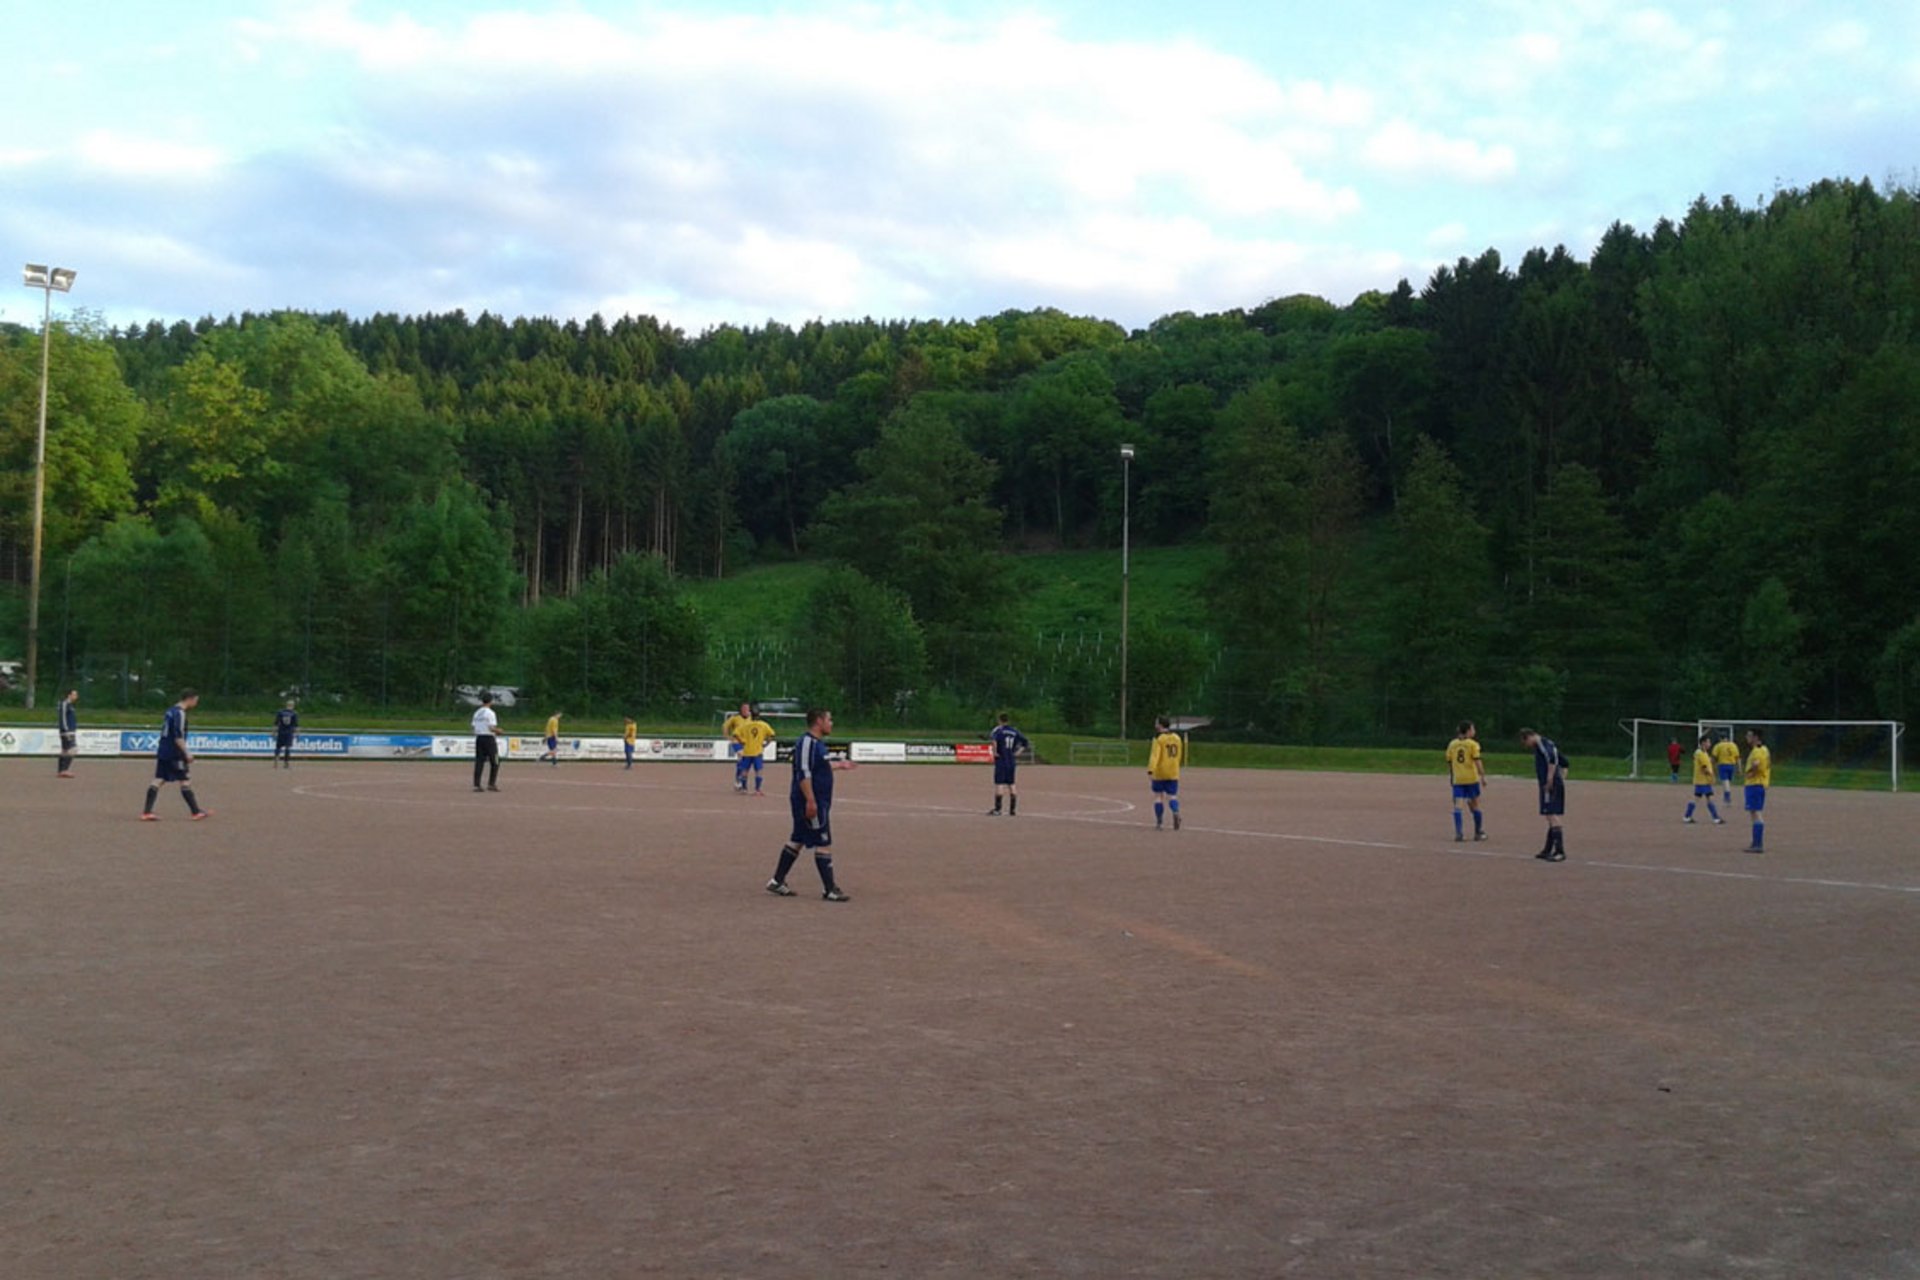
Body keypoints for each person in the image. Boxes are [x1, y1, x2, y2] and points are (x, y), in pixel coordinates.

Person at [766, 708, 854, 901]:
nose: (832, 723)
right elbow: (803, 774)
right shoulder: (806, 743)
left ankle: (777, 881)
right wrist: (811, 801)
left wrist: (840, 765)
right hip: (810, 801)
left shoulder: (817, 744)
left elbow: (819, 767)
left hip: (815, 800)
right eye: (829, 719)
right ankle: (829, 889)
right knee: (823, 842)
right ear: (819, 721)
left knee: (798, 838)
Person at [141, 689, 208, 821]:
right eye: (195, 700)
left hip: (163, 750)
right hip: (174, 753)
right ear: (190, 699)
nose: (196, 703)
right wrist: (187, 753)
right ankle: (196, 812)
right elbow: (178, 736)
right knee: (185, 780)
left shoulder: (170, 711)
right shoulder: (180, 713)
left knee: (159, 779)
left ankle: (146, 812)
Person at [1519, 727, 1566, 862]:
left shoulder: (1542, 745)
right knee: (1549, 814)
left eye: (1525, 742)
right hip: (1552, 782)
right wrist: (1562, 775)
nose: (1526, 746)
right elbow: (1563, 760)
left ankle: (1559, 851)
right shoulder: (1547, 743)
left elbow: (1552, 759)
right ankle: (1548, 848)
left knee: (1551, 814)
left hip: (1549, 783)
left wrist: (1550, 778)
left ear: (1529, 737)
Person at [1445, 720, 1488, 842]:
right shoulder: (1473, 744)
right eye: (1473, 729)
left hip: (1458, 780)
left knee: (1458, 806)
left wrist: (1452, 777)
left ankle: (1459, 833)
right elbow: (1477, 761)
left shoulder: (1452, 744)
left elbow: (1450, 762)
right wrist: (1483, 776)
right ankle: (1478, 832)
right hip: (1471, 779)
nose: (1474, 731)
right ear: (1468, 731)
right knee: (1474, 805)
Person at [987, 712, 1031, 816]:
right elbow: (1025, 742)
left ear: (999, 720)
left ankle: (998, 809)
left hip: (1001, 759)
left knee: (1000, 783)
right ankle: (1012, 810)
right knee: (1012, 783)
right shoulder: (1014, 731)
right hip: (1011, 760)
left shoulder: (998, 730)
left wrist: (995, 752)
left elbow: (994, 740)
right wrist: (1018, 752)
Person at [1148, 716, 1184, 830]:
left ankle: (1159, 822)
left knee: (1158, 796)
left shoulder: (1159, 738)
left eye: (1156, 723)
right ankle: (1176, 811)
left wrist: (1151, 769)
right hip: (1173, 771)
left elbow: (1155, 755)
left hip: (1160, 771)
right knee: (1172, 796)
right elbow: (1179, 755)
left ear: (1160, 725)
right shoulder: (1177, 738)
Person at [1683, 733, 1726, 825]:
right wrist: (1711, 775)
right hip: (1702, 781)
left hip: (1704, 781)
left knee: (1698, 798)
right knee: (1708, 798)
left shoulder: (1704, 753)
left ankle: (1687, 816)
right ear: (1703, 743)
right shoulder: (1700, 753)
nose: (1709, 744)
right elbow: (1704, 768)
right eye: (1708, 742)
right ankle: (1716, 818)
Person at [734, 706, 777, 794]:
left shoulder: (746, 725)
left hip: (747, 751)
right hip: (758, 752)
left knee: (745, 770)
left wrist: (742, 741)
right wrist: (766, 744)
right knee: (759, 771)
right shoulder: (763, 725)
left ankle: (744, 788)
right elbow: (772, 735)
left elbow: (735, 734)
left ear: (751, 715)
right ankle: (757, 789)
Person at [1742, 728, 1771, 854]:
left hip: (1755, 784)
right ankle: (1756, 842)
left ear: (1755, 737)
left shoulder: (1757, 751)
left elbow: (1756, 764)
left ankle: (1757, 843)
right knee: (1755, 813)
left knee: (1755, 814)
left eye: (1749, 735)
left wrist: (1749, 773)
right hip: (1760, 784)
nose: (1747, 737)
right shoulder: (1764, 749)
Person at [472, 692, 502, 792]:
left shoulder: (477, 712)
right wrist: (498, 731)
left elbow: (473, 727)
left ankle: (477, 784)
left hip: (479, 737)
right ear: (491, 701)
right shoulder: (490, 713)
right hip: (489, 738)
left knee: (479, 761)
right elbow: (491, 727)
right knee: (495, 761)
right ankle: (491, 783)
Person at [1712, 732, 1742, 804]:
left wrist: (1711, 765)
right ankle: (1727, 793)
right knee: (1729, 781)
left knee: (1725, 781)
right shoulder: (1733, 745)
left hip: (1723, 764)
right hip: (1732, 765)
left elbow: (1714, 757)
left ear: (1720, 739)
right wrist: (1739, 768)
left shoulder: (1718, 746)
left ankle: (1727, 796)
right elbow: (1737, 758)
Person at [56, 688, 79, 778]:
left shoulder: (70, 705)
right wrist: (66, 730)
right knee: (73, 750)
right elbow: (63, 718)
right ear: (69, 695)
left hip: (70, 731)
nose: (76, 696)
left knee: (65, 751)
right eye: (74, 694)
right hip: (67, 732)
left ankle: (61, 770)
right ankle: (65, 769)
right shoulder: (65, 704)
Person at [273, 698, 299, 769]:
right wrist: (297, 734)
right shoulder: (294, 713)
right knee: (287, 748)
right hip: (289, 733)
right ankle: (286, 763)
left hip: (281, 732)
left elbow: (276, 723)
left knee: (278, 747)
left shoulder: (280, 712)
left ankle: (276, 761)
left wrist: (274, 732)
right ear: (293, 705)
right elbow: (296, 725)